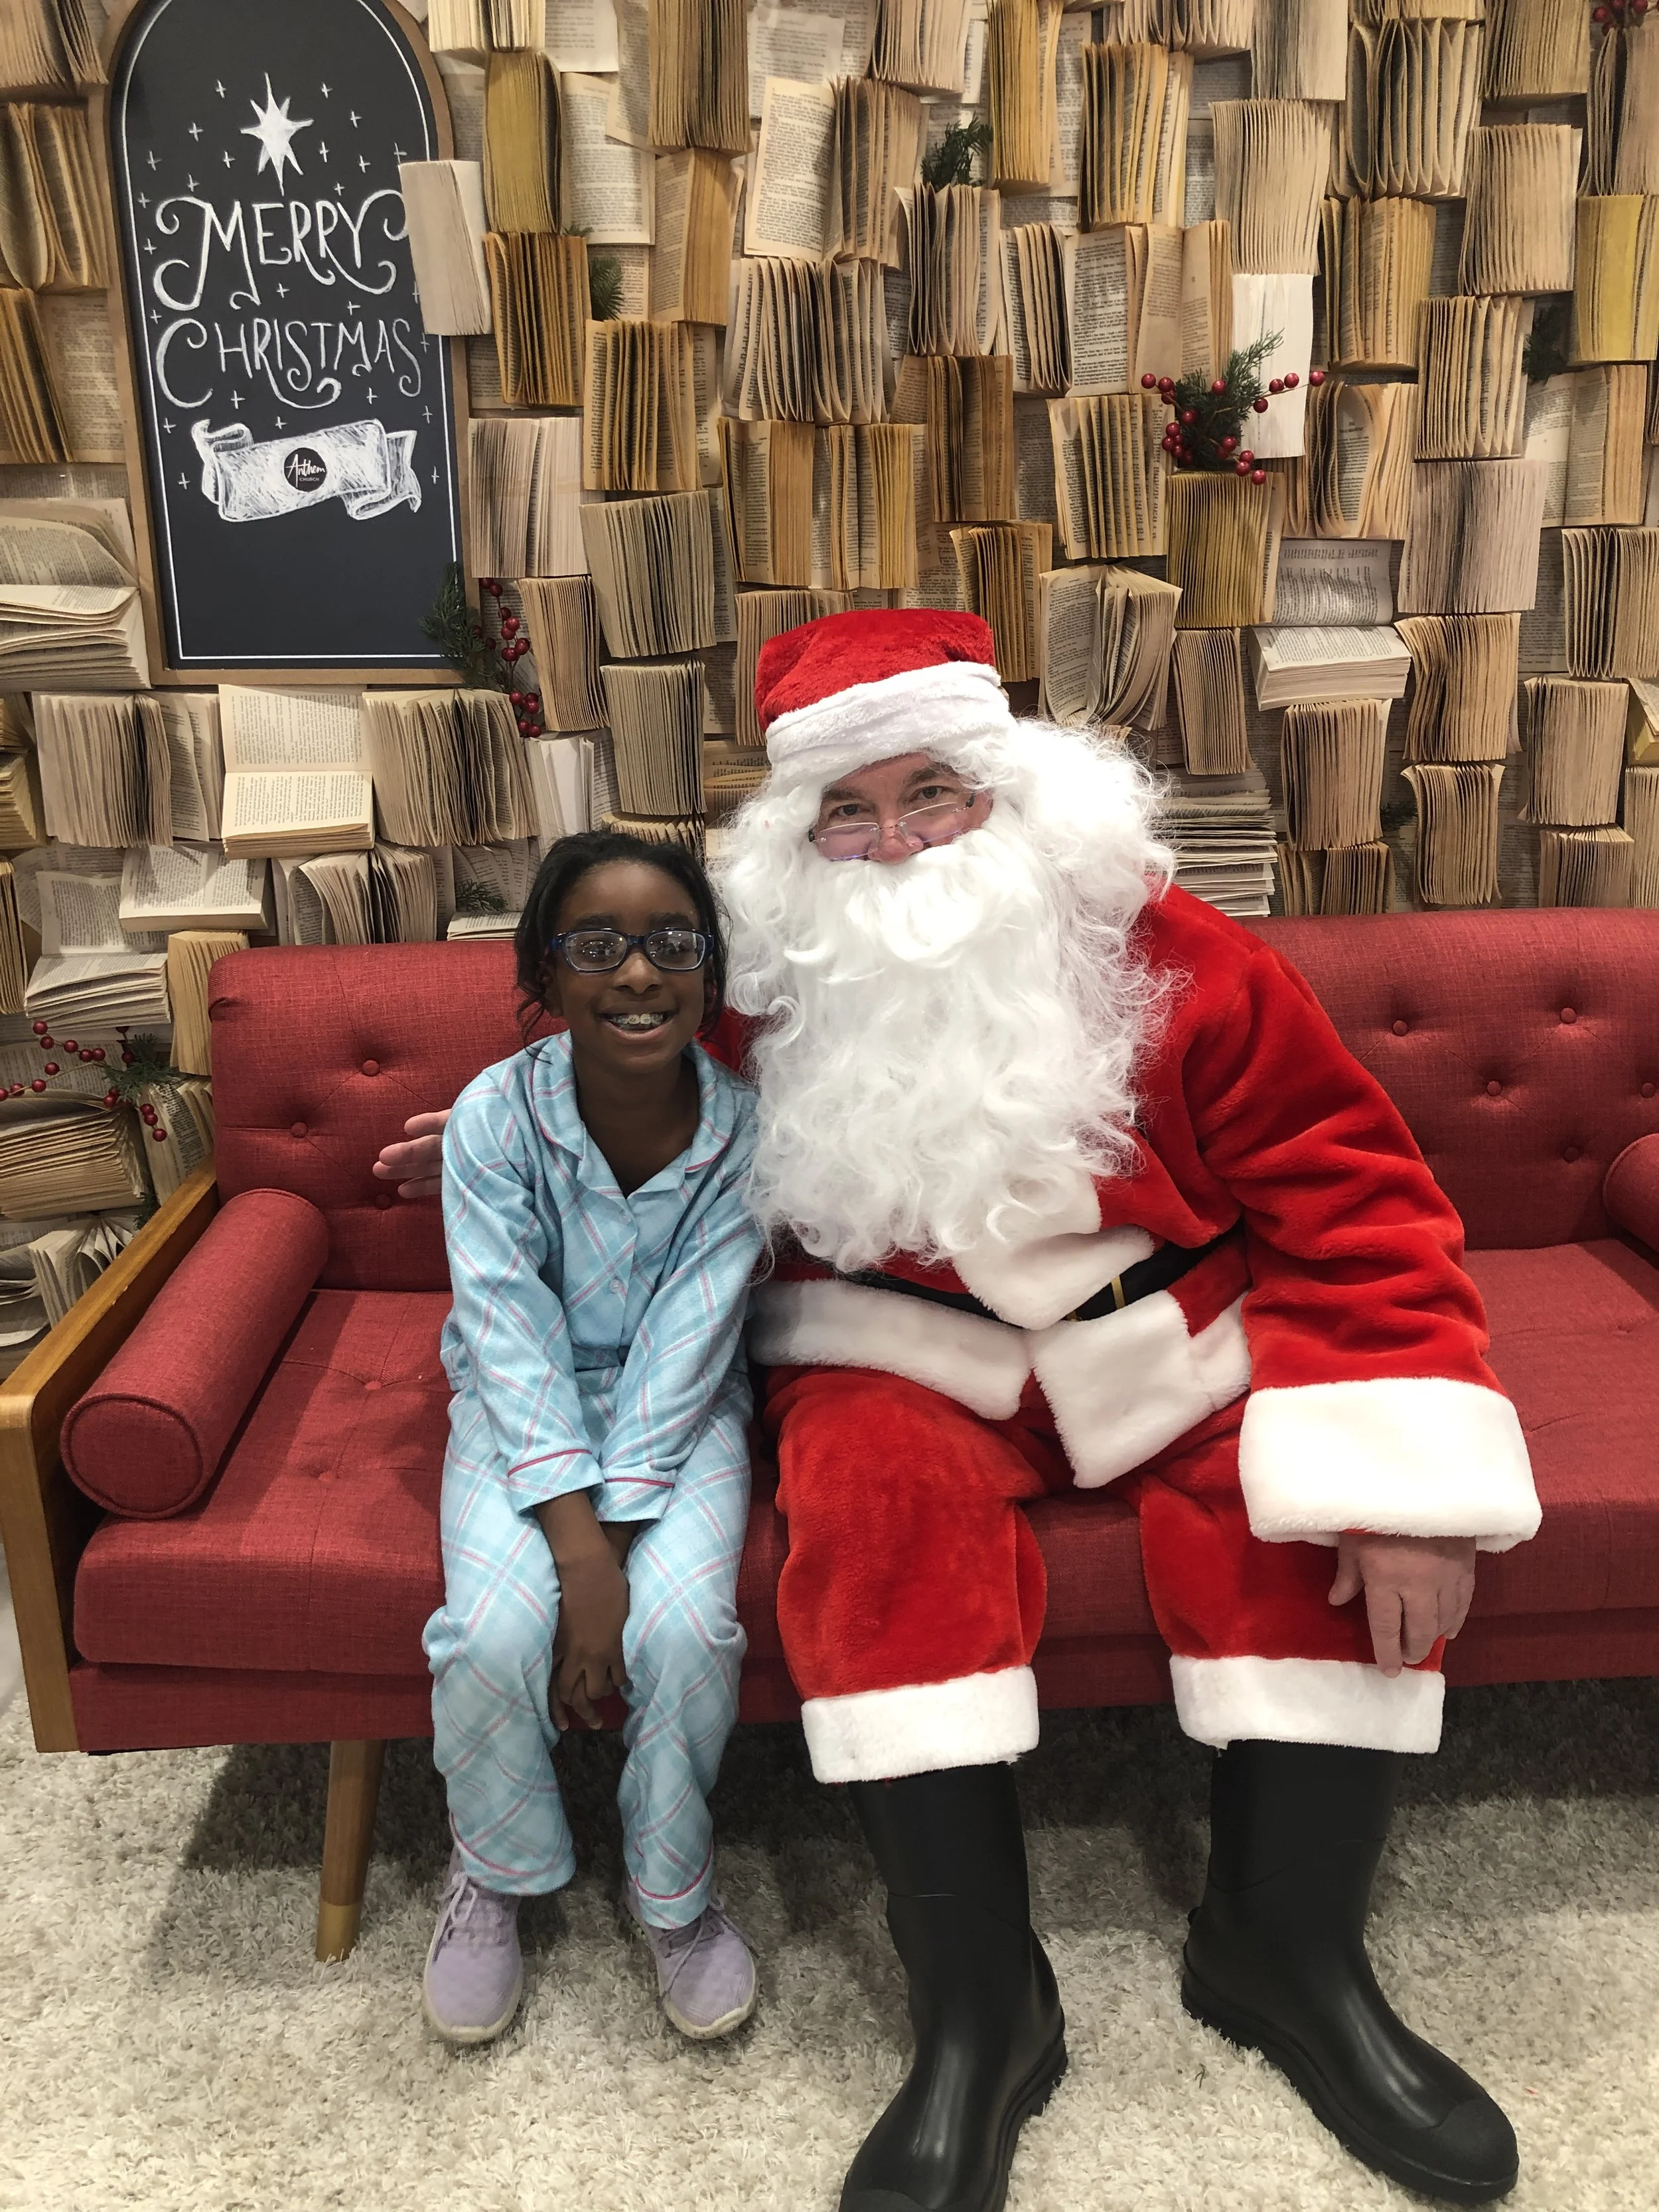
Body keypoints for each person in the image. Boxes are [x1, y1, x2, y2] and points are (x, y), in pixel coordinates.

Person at [377, 612, 1540, 2211]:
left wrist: (1402, 1486)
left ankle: (1286, 1958)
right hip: (895, 1345)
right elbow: (628, 1055)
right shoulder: (776, 985)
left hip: (1163, 1332)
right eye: (847, 812)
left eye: (933, 791)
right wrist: (510, 1116)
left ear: (1017, 791)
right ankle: (982, 2011)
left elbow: (1355, 1206)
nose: (896, 842)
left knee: (1291, 1513)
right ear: (796, 845)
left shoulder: (1183, 958)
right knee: (869, 1518)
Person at [418, 830, 762, 2050]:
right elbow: (505, 1333)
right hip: (522, 1404)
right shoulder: (492, 1118)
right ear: (547, 977)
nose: (637, 973)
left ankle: (672, 1894)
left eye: (673, 943)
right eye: (597, 945)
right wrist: (576, 1564)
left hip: (681, 1412)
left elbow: (692, 1343)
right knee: (489, 1634)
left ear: (710, 971)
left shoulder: (741, 1133)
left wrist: (612, 1563)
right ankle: (493, 1874)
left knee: (688, 1627)